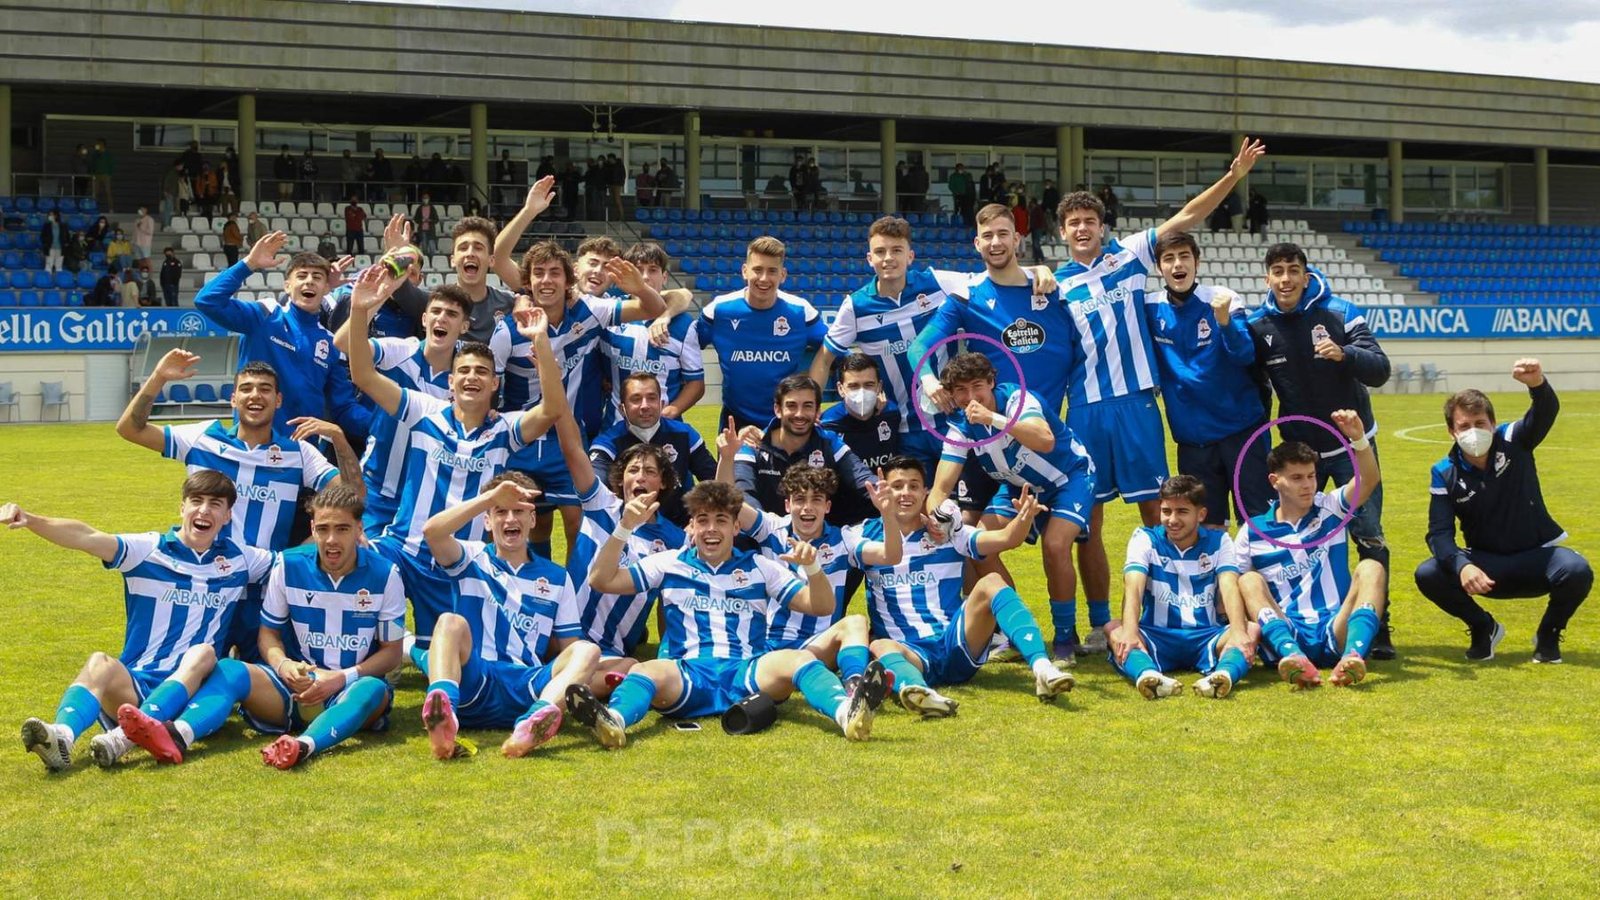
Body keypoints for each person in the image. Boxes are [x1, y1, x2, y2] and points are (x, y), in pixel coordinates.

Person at [1043, 137, 1266, 659]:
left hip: (1139, 407)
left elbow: (1188, 215)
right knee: (1086, 524)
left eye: (1089, 221)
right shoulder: (1051, 284)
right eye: (1072, 222)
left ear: (1103, 228)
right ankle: (1099, 623)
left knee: (1160, 514)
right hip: (1088, 411)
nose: (1081, 229)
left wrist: (1234, 176)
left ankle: (1169, 613)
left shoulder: (1129, 256)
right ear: (1062, 232)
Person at [568, 481, 890, 748]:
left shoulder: (761, 567)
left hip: (747, 674)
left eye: (721, 520)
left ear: (736, 526)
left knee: (798, 659)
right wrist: (624, 528)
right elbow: (601, 580)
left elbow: (821, 606)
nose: (711, 529)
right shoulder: (668, 563)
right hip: (688, 675)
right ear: (691, 525)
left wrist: (813, 567)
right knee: (646, 670)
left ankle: (847, 712)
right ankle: (615, 720)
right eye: (703, 520)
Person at [345, 267, 564, 646]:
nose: (471, 378)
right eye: (463, 371)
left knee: (444, 649)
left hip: (460, 560)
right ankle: (385, 649)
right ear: (450, 381)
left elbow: (552, 410)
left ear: (495, 383)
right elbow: (363, 374)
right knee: (359, 563)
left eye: (482, 372)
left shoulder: (503, 430)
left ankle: (412, 649)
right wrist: (360, 311)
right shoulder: (422, 410)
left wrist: (540, 341)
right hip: (406, 548)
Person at [114, 484, 405, 768]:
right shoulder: (288, 565)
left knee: (371, 689)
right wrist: (283, 666)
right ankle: (177, 736)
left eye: (342, 529)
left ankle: (303, 746)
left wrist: (340, 678)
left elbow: (392, 652)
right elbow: (269, 635)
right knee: (229, 669)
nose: (331, 539)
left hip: (349, 688)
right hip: (293, 689)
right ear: (313, 527)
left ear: (359, 529)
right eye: (323, 529)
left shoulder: (385, 574)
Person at [8, 470, 274, 771]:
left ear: (227, 515)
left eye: (215, 504)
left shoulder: (241, 559)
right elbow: (86, 536)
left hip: (193, 695)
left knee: (204, 653)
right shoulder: (149, 550)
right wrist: (30, 519)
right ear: (182, 508)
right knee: (100, 662)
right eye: (196, 501)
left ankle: (124, 738)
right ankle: (62, 738)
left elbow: (295, 562)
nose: (203, 510)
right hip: (135, 689)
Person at [116, 350, 360, 659]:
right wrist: (159, 378)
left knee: (268, 694)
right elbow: (130, 429)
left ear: (279, 400)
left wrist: (338, 439)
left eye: (265, 389)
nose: (255, 395)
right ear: (233, 399)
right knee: (189, 678)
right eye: (246, 388)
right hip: (204, 589)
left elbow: (351, 500)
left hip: (263, 589)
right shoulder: (202, 438)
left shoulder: (298, 454)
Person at [1245, 241, 1394, 658]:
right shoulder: (1258, 326)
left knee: (1368, 533)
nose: (1286, 278)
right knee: (1303, 535)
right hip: (1300, 454)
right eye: (1278, 271)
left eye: (1294, 270)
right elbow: (1254, 384)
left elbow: (1380, 369)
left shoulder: (1341, 313)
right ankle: (1305, 616)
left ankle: (1379, 626)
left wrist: (1344, 354)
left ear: (1306, 276)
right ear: (1267, 279)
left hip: (1351, 444)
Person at [857, 457, 1075, 716]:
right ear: (883, 490)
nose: (906, 493)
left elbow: (1006, 538)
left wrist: (1024, 517)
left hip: (955, 642)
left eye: (914, 486)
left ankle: (1042, 668)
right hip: (908, 652)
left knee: (992, 582)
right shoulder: (862, 535)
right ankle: (921, 692)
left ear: (926, 492)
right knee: (879, 645)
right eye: (897, 486)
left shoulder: (947, 533)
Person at [496, 239, 669, 559]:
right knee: (532, 522)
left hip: (568, 440)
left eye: (554, 273)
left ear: (568, 280)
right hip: (523, 440)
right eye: (538, 274)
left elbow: (654, 308)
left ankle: (573, 594)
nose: (546, 281)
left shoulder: (590, 310)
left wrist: (640, 289)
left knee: (578, 520)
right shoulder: (509, 328)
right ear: (528, 282)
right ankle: (537, 584)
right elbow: (491, 382)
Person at [416, 473, 607, 759]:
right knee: (449, 622)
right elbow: (432, 531)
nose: (510, 519)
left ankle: (533, 723)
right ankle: (444, 715)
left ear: (532, 520)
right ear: (487, 521)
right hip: (476, 679)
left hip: (527, 684)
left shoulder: (556, 577)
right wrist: (489, 498)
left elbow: (569, 650)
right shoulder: (470, 557)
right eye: (500, 512)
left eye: (519, 511)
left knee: (587, 649)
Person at [1415, 359, 1591, 663]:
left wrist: (1537, 385)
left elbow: (1544, 413)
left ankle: (1548, 635)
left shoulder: (1514, 440)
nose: (1474, 432)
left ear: (1492, 424)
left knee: (1577, 570)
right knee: (1428, 572)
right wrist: (1462, 566)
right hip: (1486, 567)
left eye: (1480, 423)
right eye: (1464, 426)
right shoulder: (1443, 472)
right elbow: (1439, 534)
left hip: (1536, 558)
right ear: (1451, 432)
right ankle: (1483, 627)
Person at [926, 352, 1096, 650]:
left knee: (1055, 546)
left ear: (992, 382)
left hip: (1069, 478)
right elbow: (941, 487)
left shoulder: (1018, 400)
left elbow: (1045, 440)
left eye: (977, 386)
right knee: (977, 545)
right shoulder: (961, 426)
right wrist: (935, 520)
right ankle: (1018, 631)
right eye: (961, 391)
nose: (970, 397)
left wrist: (992, 418)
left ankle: (1066, 639)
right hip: (1020, 486)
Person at [1234, 410, 1385, 689]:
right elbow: (1234, 591)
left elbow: (1368, 480)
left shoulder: (1330, 508)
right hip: (1286, 629)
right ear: (1274, 481)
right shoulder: (1251, 532)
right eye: (1297, 478)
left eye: (1311, 476)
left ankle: (1352, 655)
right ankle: (1292, 656)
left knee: (1371, 567)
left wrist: (1359, 439)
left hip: (1335, 627)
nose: (1307, 485)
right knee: (1247, 580)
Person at [550, 395, 685, 688]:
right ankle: (576, 688)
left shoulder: (675, 540)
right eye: (633, 470)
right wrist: (555, 388)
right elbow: (572, 448)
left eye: (650, 472)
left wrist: (669, 656)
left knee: (631, 668)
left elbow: (669, 604)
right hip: (559, 633)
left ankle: (563, 690)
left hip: (609, 649)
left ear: (662, 483)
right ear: (620, 479)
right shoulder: (601, 505)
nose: (640, 477)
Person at [1146, 231, 1270, 527]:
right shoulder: (1149, 307)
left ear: (1197, 262)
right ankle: (1217, 576)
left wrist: (1225, 321)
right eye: (1169, 258)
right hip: (1193, 441)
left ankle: (1259, 575)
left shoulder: (1222, 299)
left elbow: (1244, 355)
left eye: (1184, 256)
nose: (1178, 264)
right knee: (1205, 528)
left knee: (1257, 523)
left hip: (1241, 432)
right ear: (1159, 268)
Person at [331, 282, 474, 537]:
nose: (442, 318)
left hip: (427, 495)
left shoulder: (466, 374)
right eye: (436, 311)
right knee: (365, 564)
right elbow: (342, 343)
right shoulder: (400, 349)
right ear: (424, 318)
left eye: (452, 314)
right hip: (376, 489)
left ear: (464, 326)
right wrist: (371, 301)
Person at [193, 231, 369, 436]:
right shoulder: (265, 315)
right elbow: (207, 301)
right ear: (287, 286)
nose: (309, 281)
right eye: (301, 276)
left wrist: (386, 425)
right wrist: (249, 264)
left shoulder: (331, 344)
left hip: (301, 454)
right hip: (250, 447)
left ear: (327, 288)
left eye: (317, 277)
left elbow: (343, 408)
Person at [1108, 476, 1257, 700]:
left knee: (1250, 629)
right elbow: (1133, 587)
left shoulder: (1220, 541)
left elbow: (1229, 585)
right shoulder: (1145, 538)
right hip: (1157, 635)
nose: (1172, 520)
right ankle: (1148, 676)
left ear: (1201, 514)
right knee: (1116, 629)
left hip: (1206, 635)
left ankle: (1222, 676)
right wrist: (1130, 631)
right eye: (1166, 511)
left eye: (1182, 512)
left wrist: (1237, 629)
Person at [696, 236, 826, 431]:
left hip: (786, 421)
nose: (764, 278)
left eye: (772, 271)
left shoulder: (800, 311)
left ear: (783, 275)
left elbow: (833, 350)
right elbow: (683, 347)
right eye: (757, 270)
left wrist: (813, 396)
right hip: (736, 420)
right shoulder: (719, 310)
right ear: (744, 271)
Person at [733, 374, 878, 528]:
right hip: (766, 539)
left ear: (817, 412)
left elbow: (863, 478)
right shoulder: (752, 443)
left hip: (821, 542)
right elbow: (743, 493)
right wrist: (771, 533)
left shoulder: (829, 442)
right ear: (777, 409)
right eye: (792, 406)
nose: (799, 414)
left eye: (808, 406)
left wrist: (889, 493)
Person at [589, 371, 716, 528]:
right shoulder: (607, 444)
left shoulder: (685, 434)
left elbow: (714, 482)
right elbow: (596, 492)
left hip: (680, 530)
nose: (645, 406)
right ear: (623, 409)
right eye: (636, 399)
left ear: (662, 404)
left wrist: (699, 520)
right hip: (628, 531)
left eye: (651, 398)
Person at [597, 241, 705, 423]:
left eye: (653, 270)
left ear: (664, 277)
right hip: (615, 427)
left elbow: (696, 384)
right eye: (638, 270)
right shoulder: (609, 311)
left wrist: (671, 411)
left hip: (663, 430)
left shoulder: (683, 324)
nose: (645, 277)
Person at [381, 214, 510, 344]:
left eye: (478, 248)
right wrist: (394, 255)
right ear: (452, 260)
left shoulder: (508, 303)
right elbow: (398, 287)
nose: (470, 253)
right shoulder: (431, 303)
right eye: (463, 248)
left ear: (491, 260)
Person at [818, 353, 902, 499]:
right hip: (844, 514)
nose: (862, 392)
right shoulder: (829, 424)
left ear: (879, 387)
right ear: (840, 389)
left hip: (885, 504)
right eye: (853, 386)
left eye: (869, 385)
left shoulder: (891, 414)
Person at [89, 137, 115, 211]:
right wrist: (92, 173)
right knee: (95, 193)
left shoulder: (107, 154)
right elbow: (92, 164)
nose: (97, 145)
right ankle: (93, 208)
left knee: (108, 192)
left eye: (98, 144)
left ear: (102, 144)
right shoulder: (95, 154)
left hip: (106, 175)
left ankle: (111, 209)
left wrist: (110, 173)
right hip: (96, 175)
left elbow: (112, 164)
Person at [132, 206, 156, 271]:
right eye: (140, 209)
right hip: (137, 243)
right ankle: (141, 275)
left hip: (145, 244)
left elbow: (150, 232)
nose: (140, 211)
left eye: (142, 209)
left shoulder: (149, 219)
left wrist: (141, 227)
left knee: (147, 260)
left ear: (146, 210)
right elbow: (135, 232)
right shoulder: (137, 220)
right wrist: (133, 241)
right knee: (140, 260)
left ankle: (150, 275)